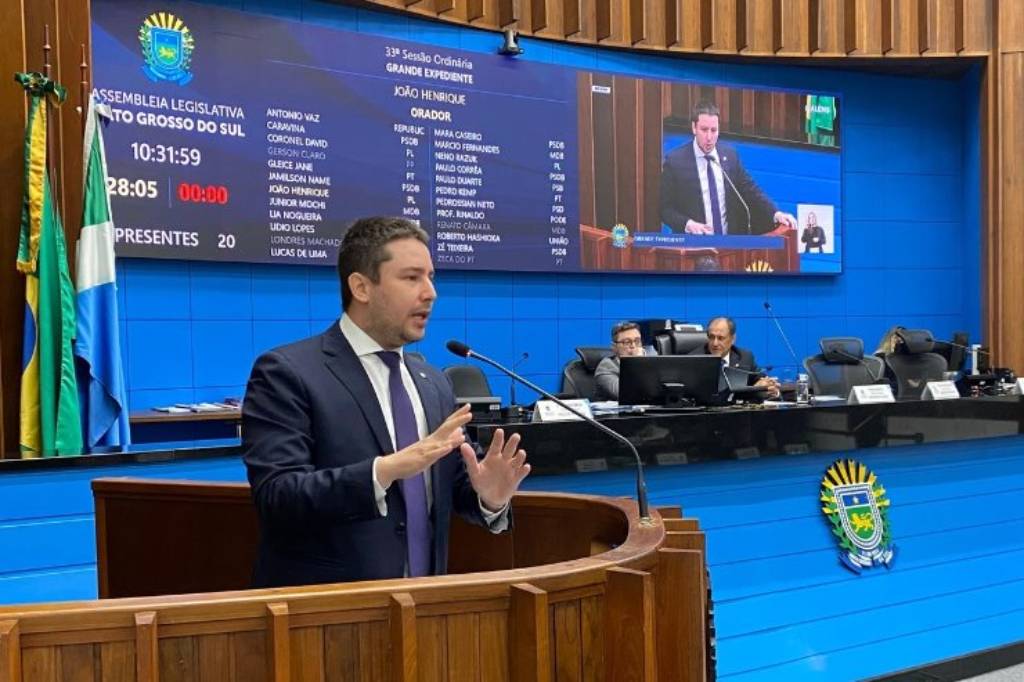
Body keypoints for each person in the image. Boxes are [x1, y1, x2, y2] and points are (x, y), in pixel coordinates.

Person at [242, 216, 530, 588]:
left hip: (424, 609)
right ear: (361, 287)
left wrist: (489, 497)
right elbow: (279, 497)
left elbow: (454, 487)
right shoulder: (288, 372)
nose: (430, 293)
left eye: (431, 277)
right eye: (412, 278)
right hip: (328, 615)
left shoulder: (433, 382)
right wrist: (386, 469)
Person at [659, 102, 797, 236]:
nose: (709, 137)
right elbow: (665, 209)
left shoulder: (730, 156)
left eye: (714, 130)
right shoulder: (675, 161)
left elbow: (750, 190)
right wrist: (688, 224)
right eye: (704, 130)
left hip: (730, 246)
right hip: (695, 245)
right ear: (694, 128)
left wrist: (776, 213)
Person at [688, 317, 780, 398]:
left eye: (721, 338)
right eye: (711, 337)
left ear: (733, 339)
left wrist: (768, 387)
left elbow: (760, 380)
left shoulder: (745, 357)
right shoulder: (694, 359)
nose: (715, 343)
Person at [594, 321, 645, 400]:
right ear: (614, 347)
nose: (634, 346)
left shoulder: (650, 361)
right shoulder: (607, 366)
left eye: (637, 341)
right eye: (627, 342)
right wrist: (637, 362)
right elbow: (624, 393)